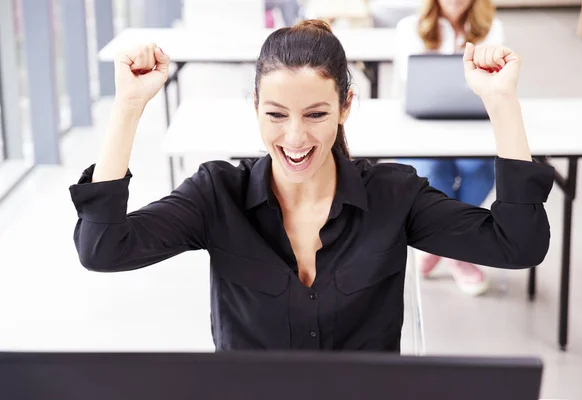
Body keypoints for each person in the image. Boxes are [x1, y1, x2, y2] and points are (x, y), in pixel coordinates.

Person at [69, 20, 554, 352]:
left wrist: (500, 101)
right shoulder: (217, 195)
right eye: (275, 115)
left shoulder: (393, 194)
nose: (296, 138)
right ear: (254, 105)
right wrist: (128, 106)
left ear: (346, 106)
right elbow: (104, 248)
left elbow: (519, 243)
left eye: (317, 114)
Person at [391, 0, 505, 296]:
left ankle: (442, 245)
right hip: (423, 128)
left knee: (482, 167)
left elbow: (495, 83)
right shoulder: (409, 29)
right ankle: (457, 249)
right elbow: (412, 84)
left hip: (472, 127)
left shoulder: (493, 29)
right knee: (429, 170)